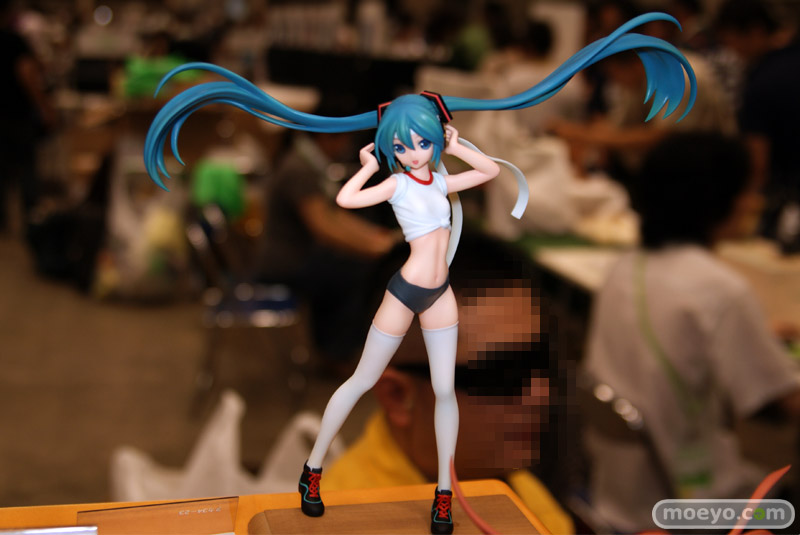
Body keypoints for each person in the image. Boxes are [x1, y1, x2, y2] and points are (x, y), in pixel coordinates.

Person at [144, 13, 697, 534]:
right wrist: (368, 167)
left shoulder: (439, 180)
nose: (414, 150)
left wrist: (459, 146)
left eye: (424, 140)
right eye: (404, 143)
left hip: (439, 293)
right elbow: (346, 200)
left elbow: (486, 171)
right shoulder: (395, 183)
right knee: (363, 379)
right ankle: (312, 471)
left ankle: (442, 493)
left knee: (446, 390)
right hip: (408, 287)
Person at [582, 132, 800, 531]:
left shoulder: (625, 267)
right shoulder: (721, 290)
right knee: (785, 506)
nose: (753, 202)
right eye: (746, 190)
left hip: (617, 497)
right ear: (719, 200)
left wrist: (759, 333)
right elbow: (788, 400)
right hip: (691, 509)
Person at [321, 232, 574, 535]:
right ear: (397, 396)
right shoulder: (347, 523)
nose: (540, 393)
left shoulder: (496, 475)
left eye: (543, 359)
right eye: (503, 375)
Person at [260, 128, 400, 361]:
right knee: (355, 273)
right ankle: (338, 355)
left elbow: (334, 216)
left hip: (297, 259)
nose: (348, 146)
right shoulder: (300, 169)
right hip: (287, 264)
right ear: (326, 136)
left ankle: (338, 352)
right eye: (345, 139)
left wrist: (375, 236)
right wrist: (373, 246)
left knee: (354, 268)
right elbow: (323, 226)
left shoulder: (306, 162)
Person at [714, 0, 800, 246]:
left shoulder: (762, 81)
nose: (731, 50)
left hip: (787, 197)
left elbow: (757, 160)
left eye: (732, 40)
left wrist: (742, 204)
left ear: (755, 31)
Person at [0, 0, 56, 233]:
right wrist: (44, 106)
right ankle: (32, 221)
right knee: (26, 169)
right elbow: (26, 73)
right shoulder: (13, 41)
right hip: (16, 114)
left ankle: (4, 222)